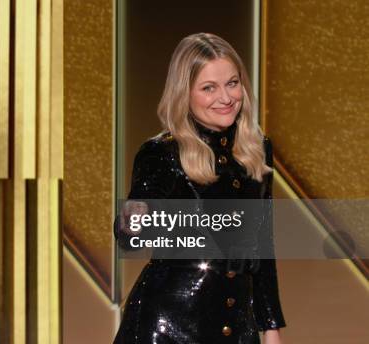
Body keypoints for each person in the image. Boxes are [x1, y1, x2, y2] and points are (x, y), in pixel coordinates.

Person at [114, 33, 286, 343]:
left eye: (232, 83)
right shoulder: (162, 153)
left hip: (237, 327)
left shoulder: (257, 148)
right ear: (185, 94)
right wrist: (137, 215)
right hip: (168, 328)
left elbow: (262, 248)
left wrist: (270, 328)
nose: (226, 98)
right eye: (209, 88)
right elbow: (130, 237)